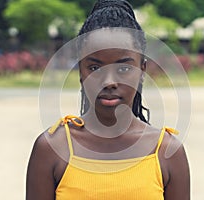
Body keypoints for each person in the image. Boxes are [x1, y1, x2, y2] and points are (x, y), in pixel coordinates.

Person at [26, 0, 190, 199]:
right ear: (80, 71)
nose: (109, 82)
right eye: (95, 68)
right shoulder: (52, 148)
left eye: (123, 68)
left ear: (142, 70)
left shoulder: (167, 151)